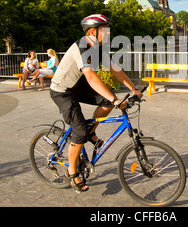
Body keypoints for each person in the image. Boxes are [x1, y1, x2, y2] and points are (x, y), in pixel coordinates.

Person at [50, 14, 143, 193]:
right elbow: (91, 78)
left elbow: (115, 70)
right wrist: (116, 100)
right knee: (79, 131)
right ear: (93, 31)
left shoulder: (99, 47)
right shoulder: (83, 46)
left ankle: (91, 133)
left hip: (78, 87)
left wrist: (133, 89)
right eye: (106, 30)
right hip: (63, 91)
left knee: (107, 103)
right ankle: (72, 173)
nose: (109, 33)